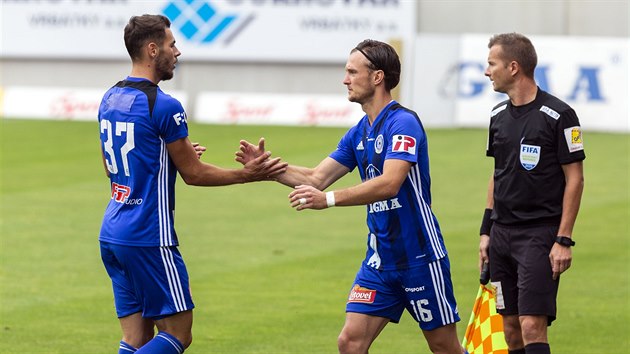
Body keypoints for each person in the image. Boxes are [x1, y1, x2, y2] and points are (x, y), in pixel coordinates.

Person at [237, 39, 462, 354]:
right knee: (350, 342)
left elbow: (390, 183)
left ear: (377, 77)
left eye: (352, 72)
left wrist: (327, 200)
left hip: (420, 258)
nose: (345, 79)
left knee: (444, 347)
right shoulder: (360, 131)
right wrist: (268, 169)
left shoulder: (403, 122)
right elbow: (317, 178)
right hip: (379, 261)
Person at [97, 14, 287, 354]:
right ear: (153, 50)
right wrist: (249, 174)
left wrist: (162, 158)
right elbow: (194, 174)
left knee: (135, 338)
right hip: (148, 237)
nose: (178, 52)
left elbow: (111, 165)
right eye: (172, 45)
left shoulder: (110, 97)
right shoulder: (164, 105)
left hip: (112, 233)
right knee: (177, 334)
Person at [478, 33, 585, 354]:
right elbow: (497, 175)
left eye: (491, 64)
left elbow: (576, 180)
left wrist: (563, 239)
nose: (486, 71)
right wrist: (486, 232)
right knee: (510, 328)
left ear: (513, 67)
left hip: (539, 236)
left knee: (531, 325)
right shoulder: (497, 116)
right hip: (501, 238)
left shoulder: (560, 116)